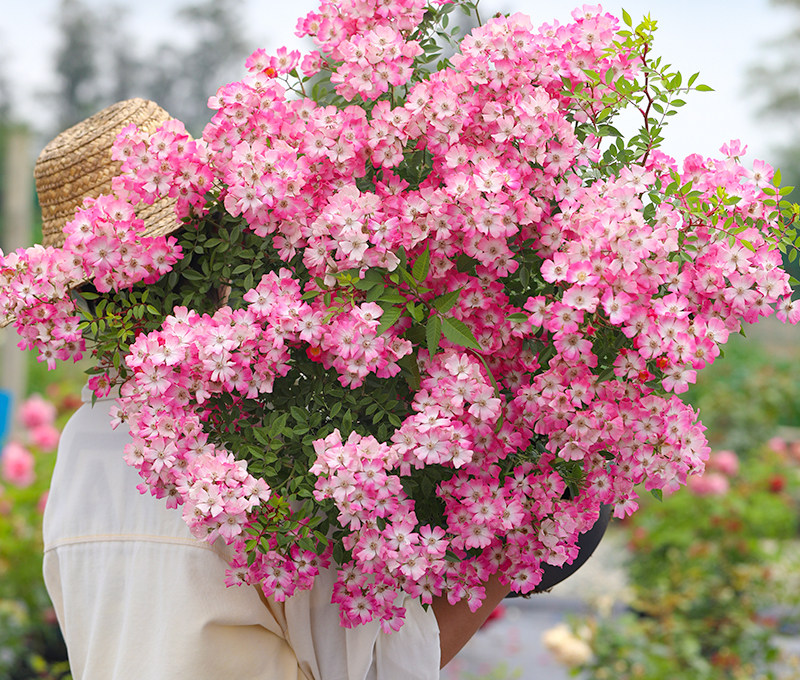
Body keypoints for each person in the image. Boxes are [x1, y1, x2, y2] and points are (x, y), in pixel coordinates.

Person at [36, 101, 608, 679]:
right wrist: (522, 542)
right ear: (205, 241)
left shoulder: (80, 442)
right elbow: (382, 668)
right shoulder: (240, 439)